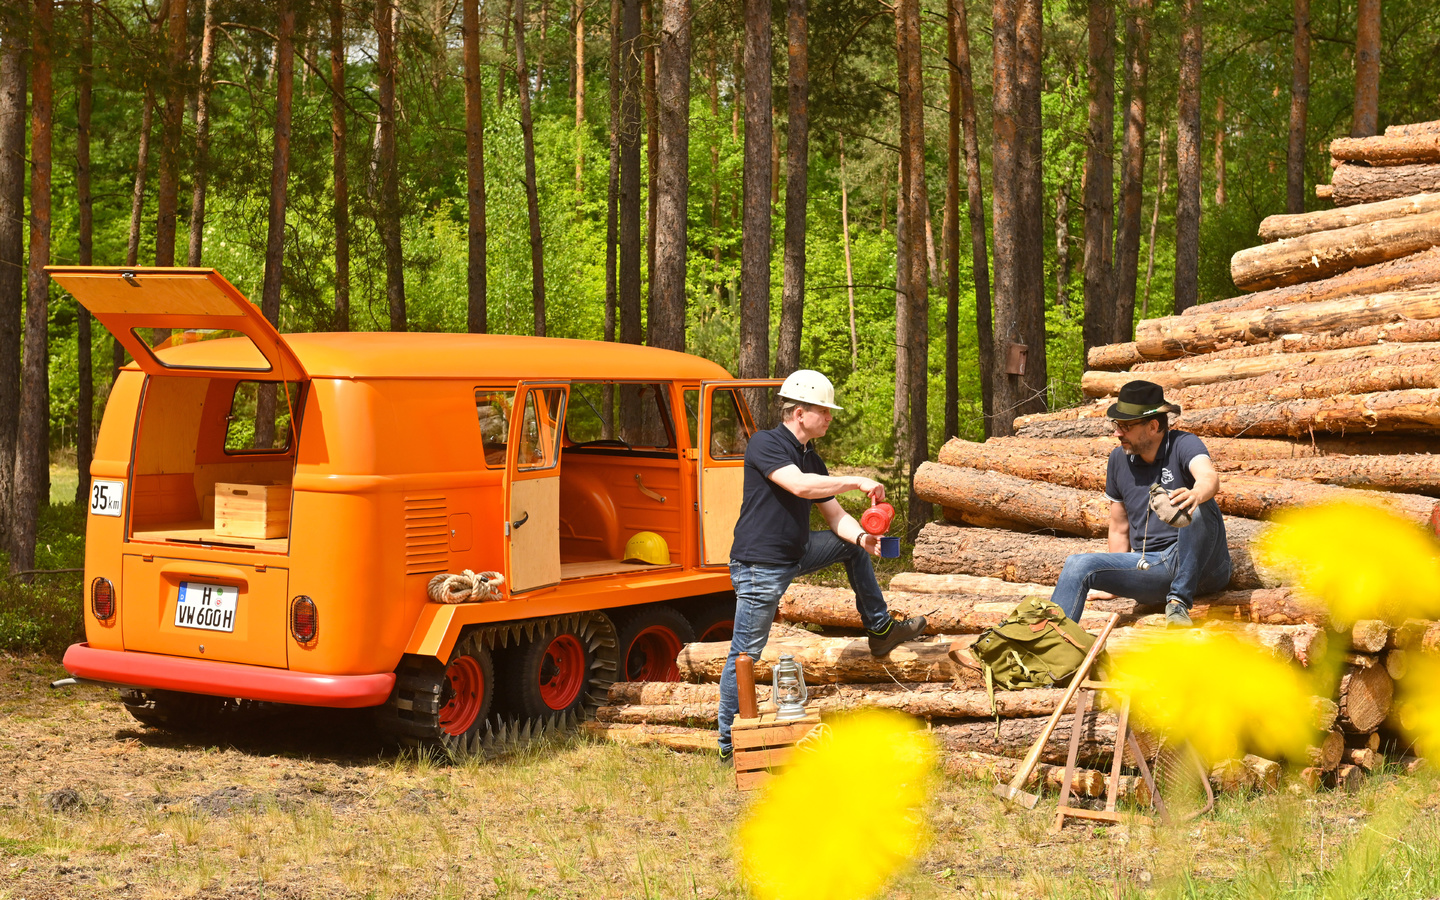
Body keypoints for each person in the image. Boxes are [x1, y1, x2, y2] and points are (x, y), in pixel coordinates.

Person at [716, 369, 926, 762]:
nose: (829, 417)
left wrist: (863, 538)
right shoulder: (766, 444)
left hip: (794, 553)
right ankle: (729, 744)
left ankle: (880, 629)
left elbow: (834, 516)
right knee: (745, 654)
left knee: (851, 547)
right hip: (759, 565)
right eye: (823, 411)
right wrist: (856, 480)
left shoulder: (811, 456)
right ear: (798, 413)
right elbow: (800, 486)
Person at [1048, 380, 1231, 628]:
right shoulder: (1118, 459)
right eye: (1116, 425)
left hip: (1205, 567)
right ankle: (1050, 644)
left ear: (1153, 426)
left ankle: (1178, 602)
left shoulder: (1183, 444)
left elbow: (1209, 477)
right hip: (1152, 568)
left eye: (1125, 426)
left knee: (1198, 506)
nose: (1117, 433)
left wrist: (1197, 493)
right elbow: (1119, 526)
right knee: (1077, 564)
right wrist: (1113, 579)